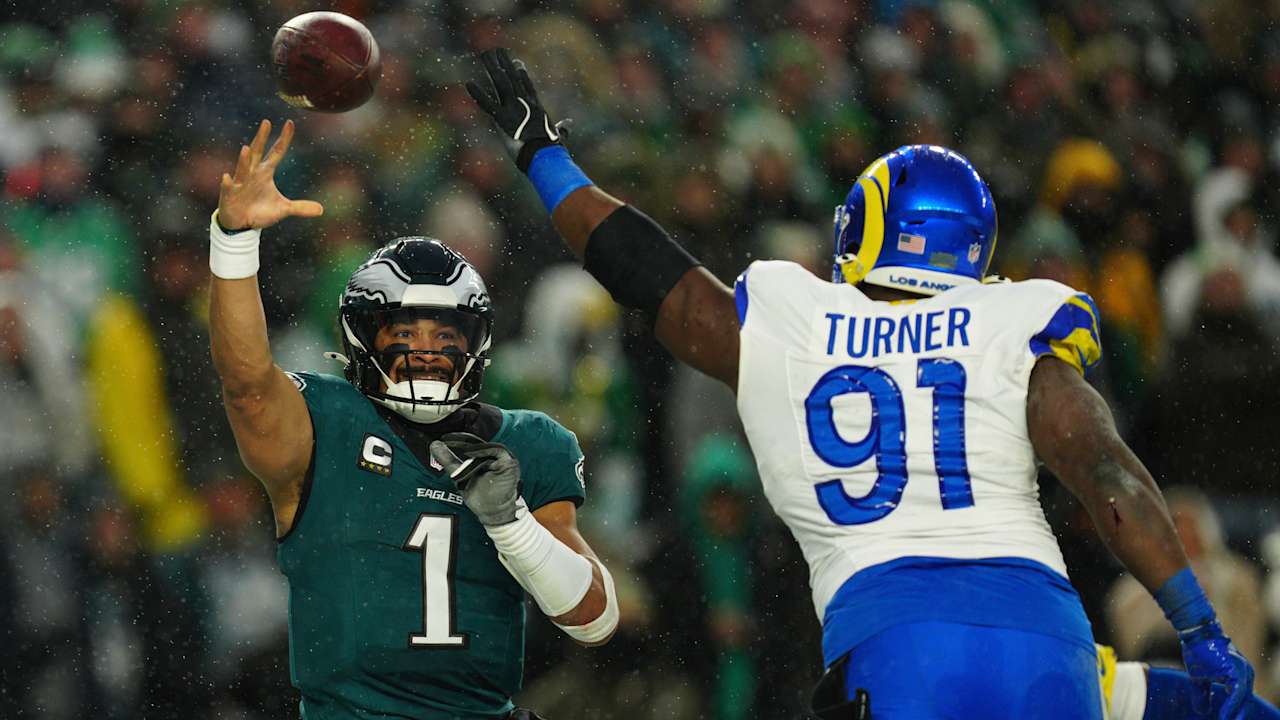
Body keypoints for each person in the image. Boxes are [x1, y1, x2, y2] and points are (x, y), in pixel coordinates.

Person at [467, 49, 1254, 719]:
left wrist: (545, 156)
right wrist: (1203, 635)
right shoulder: (1012, 320)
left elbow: (647, 272)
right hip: (1046, 642)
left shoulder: (796, 320)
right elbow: (1109, 476)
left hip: (894, 646)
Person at [207, 118, 618, 720]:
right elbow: (246, 386)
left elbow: (594, 620)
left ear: (476, 341)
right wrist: (234, 242)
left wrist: (512, 526)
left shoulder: (528, 441)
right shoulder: (326, 422)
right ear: (362, 338)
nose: (426, 351)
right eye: (404, 332)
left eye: (445, 335)